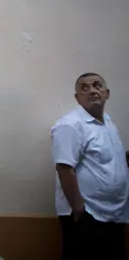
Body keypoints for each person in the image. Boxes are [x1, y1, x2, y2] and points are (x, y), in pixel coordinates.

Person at [51, 73, 129, 260]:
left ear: (107, 93)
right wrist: (80, 211)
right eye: (84, 88)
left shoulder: (109, 123)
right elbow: (64, 168)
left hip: (115, 215)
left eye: (97, 85)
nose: (92, 90)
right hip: (88, 218)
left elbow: (107, 159)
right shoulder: (70, 125)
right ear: (77, 97)